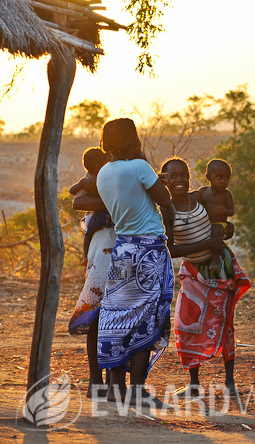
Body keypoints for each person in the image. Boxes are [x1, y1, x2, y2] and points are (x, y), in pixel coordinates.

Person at [95, 118, 174, 406]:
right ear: (134, 139)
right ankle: (139, 392)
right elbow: (164, 201)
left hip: (123, 250)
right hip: (148, 253)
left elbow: (133, 193)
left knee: (120, 318)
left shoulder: (104, 172)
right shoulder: (140, 167)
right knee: (145, 318)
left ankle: (116, 388)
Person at [160, 157, 250, 397]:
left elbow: (219, 225)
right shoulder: (166, 209)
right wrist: (205, 243)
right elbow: (169, 248)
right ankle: (194, 383)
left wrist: (225, 231)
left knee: (225, 323)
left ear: (190, 178)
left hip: (218, 268)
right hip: (192, 271)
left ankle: (230, 382)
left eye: (183, 175)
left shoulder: (198, 197)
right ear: (165, 179)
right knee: (187, 322)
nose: (179, 180)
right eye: (173, 175)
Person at [68, 149, 115, 398]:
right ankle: (97, 380)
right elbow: (77, 201)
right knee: (99, 313)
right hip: (104, 248)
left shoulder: (109, 176)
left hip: (111, 246)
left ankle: (103, 381)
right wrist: (115, 201)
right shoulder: (97, 178)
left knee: (111, 317)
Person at [69, 147, 112, 266]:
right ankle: (86, 256)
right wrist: (84, 183)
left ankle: (85, 256)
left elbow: (72, 190)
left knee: (88, 234)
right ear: (99, 165)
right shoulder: (99, 178)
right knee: (89, 232)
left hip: (97, 216)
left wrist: (81, 183)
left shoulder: (89, 178)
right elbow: (76, 201)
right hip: (103, 215)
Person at [195, 159, 234, 270]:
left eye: (227, 178)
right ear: (208, 177)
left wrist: (226, 210)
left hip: (220, 224)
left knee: (217, 229)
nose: (223, 181)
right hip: (206, 224)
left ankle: (214, 260)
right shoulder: (202, 192)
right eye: (219, 177)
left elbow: (232, 211)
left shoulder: (227, 194)